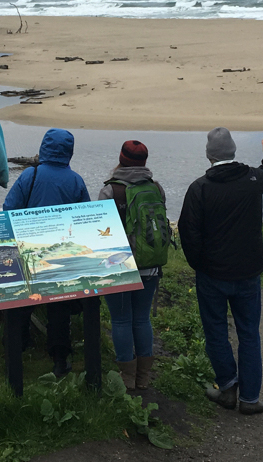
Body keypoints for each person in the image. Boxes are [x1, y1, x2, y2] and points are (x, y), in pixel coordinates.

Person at [178, 128, 263, 415]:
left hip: (212, 274)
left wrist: (199, 263)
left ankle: (227, 387)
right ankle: (249, 398)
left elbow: (188, 233)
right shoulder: (253, 179)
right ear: (233, 152)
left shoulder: (200, 188)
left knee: (216, 332)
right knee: (249, 334)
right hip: (248, 272)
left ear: (210, 155)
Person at [2, 128, 93, 389]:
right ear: (68, 152)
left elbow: (9, 208)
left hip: (29, 249)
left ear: (44, 148)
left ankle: (17, 347)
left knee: (23, 301)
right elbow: (85, 217)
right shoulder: (75, 181)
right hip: (61, 254)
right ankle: (59, 358)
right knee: (59, 306)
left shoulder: (29, 175)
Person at [98, 140, 166, 390]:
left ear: (121, 159)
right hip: (150, 265)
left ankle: (126, 378)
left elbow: (101, 234)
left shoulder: (111, 191)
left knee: (121, 321)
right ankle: (143, 377)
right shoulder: (156, 188)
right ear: (144, 162)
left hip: (119, 267)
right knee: (141, 319)